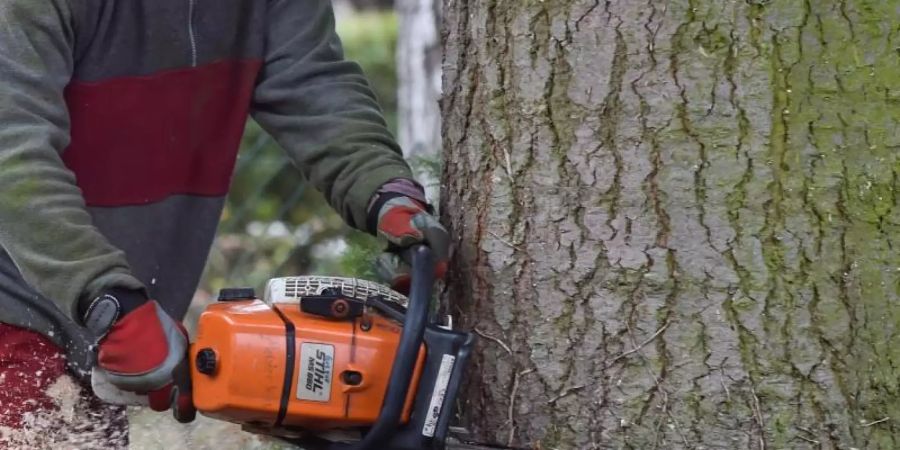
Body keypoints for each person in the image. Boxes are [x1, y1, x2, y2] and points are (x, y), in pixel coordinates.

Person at [0, 0, 449, 447]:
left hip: (107, 313)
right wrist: (107, 300)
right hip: (20, 302)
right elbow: (11, 153)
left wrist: (385, 193)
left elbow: (313, 84)